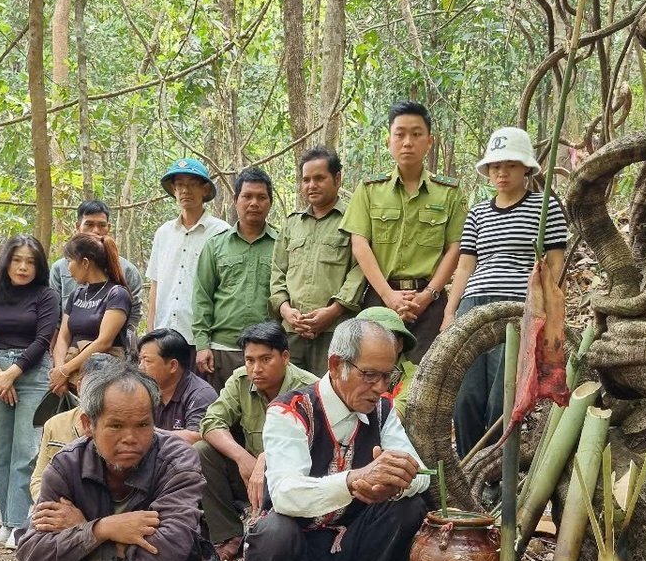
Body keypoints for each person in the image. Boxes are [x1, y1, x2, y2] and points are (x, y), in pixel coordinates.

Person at [8, 363, 218, 561]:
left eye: (143, 425)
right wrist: (103, 529)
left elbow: (171, 547)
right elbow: (32, 553)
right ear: (87, 423)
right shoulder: (66, 467)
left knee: (186, 551)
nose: (131, 438)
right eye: (116, 426)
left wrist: (82, 529)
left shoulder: (177, 459)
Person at [239, 318, 429, 561]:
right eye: (369, 375)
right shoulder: (290, 411)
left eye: (388, 376)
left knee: (411, 507)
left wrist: (391, 482)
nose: (381, 388)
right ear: (336, 364)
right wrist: (353, 481)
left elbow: (420, 473)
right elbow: (287, 495)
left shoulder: (382, 411)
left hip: (347, 551)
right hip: (296, 555)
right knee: (276, 530)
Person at [442, 126, 568, 456]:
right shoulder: (478, 212)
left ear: (526, 168)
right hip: (474, 305)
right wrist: (450, 312)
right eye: (496, 166)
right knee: (466, 394)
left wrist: (546, 311)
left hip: (517, 307)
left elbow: (555, 263)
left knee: (503, 395)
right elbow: (466, 265)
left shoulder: (545, 208)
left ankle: (496, 474)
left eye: (510, 165)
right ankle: (469, 468)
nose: (502, 172)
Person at [341, 100, 467, 364]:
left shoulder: (449, 193)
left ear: (430, 141)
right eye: (400, 134)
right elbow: (360, 245)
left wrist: (428, 295)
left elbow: (455, 248)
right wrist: (389, 296)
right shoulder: (369, 189)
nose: (407, 142)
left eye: (416, 134)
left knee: (428, 381)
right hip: (379, 298)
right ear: (389, 141)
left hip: (430, 304)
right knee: (373, 375)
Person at [195, 322, 318, 561]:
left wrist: (266, 459)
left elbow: (316, 445)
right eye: (249, 360)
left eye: (265, 359)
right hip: (249, 475)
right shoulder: (240, 381)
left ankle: (291, 534)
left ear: (285, 357)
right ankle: (230, 535)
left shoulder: (309, 387)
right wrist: (243, 459)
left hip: (294, 477)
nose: (256, 369)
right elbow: (210, 422)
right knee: (202, 451)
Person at [0, 235, 59, 546]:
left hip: (32, 372)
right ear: (6, 262)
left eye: (30, 262)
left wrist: (12, 373)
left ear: (39, 266)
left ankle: (20, 523)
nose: (23, 267)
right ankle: (5, 520)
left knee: (26, 450)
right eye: (17, 260)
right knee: (0, 452)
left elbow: (43, 339)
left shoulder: (47, 296)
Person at [270, 146, 365, 373]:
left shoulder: (354, 221)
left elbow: (360, 271)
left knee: (331, 395)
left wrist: (333, 311)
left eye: (319, 178)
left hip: (335, 330)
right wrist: (285, 310)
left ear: (337, 178)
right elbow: (277, 273)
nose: (311, 185)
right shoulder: (292, 224)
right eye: (306, 180)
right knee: (290, 398)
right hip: (292, 332)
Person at [193, 167, 278, 389]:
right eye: (247, 196)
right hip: (222, 350)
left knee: (265, 416)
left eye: (261, 197)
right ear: (235, 200)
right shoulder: (215, 245)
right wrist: (202, 345)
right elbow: (202, 297)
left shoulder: (281, 244)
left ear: (270, 202)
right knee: (222, 415)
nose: (254, 203)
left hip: (267, 351)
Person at [144, 158, 230, 359]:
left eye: (192, 184)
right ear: (173, 190)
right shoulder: (163, 233)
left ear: (205, 189)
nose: (185, 190)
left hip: (200, 339)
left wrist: (208, 341)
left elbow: (225, 287)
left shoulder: (221, 232)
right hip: (163, 336)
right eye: (180, 185)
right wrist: (149, 334)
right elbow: (156, 286)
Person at [49, 200, 144, 343]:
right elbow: (56, 314)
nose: (96, 231)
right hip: (70, 345)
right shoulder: (60, 268)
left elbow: (134, 312)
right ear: (78, 226)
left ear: (109, 227)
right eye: (89, 224)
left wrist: (124, 343)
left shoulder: (127, 270)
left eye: (101, 225)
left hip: (111, 349)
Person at [49, 233, 132, 394]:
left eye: (70, 261)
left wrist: (66, 370)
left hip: (103, 379)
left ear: (85, 262)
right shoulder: (76, 294)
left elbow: (104, 342)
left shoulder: (117, 294)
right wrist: (60, 370)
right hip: (69, 377)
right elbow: (63, 337)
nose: (68, 268)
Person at [30, 354, 118, 501]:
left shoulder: (127, 429)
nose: (98, 394)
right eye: (93, 386)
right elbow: (39, 477)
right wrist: (51, 504)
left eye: (106, 387)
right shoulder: (55, 424)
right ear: (79, 386)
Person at [137, 328, 217, 443]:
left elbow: (197, 437)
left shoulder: (200, 394)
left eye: (147, 361)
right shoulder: (142, 389)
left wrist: (146, 433)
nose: (140, 367)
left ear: (173, 366)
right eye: (140, 360)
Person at [356, 306, 418, 419]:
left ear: (399, 344)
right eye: (367, 339)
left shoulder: (415, 376)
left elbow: (395, 415)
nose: (374, 346)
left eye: (384, 339)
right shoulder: (347, 367)